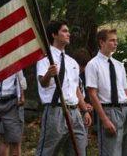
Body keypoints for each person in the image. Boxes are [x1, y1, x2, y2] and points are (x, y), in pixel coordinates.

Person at [35, 20, 92, 156]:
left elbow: (76, 89)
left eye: (68, 31)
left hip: (75, 113)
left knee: (79, 151)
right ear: (54, 34)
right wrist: (49, 73)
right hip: (56, 110)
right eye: (64, 31)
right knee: (48, 151)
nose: (68, 34)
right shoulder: (44, 58)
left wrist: (84, 110)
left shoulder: (72, 62)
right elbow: (43, 83)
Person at [85, 29, 127, 156]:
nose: (116, 43)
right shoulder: (93, 65)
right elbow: (92, 94)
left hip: (126, 111)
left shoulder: (119, 65)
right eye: (112, 40)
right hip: (109, 111)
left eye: (116, 40)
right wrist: (104, 119)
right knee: (111, 152)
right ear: (102, 42)